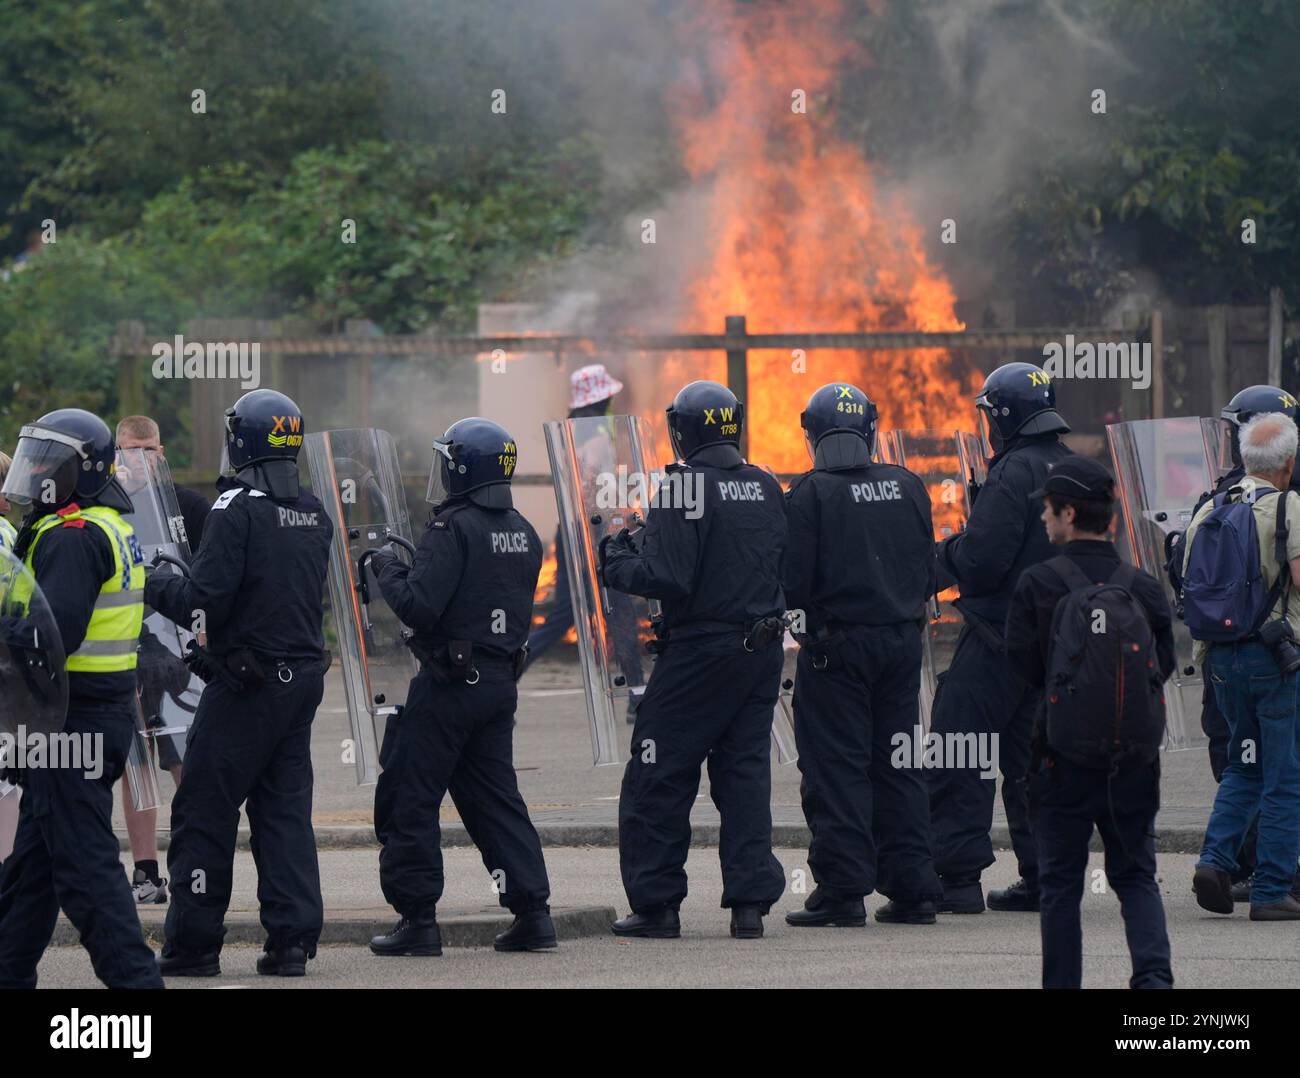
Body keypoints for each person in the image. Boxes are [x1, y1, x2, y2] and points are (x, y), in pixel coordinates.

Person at [146, 388, 332, 976]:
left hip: (249, 689)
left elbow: (204, 601)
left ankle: (193, 943)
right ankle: (292, 942)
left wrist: (154, 582)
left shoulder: (233, 509)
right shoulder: (313, 509)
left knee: (204, 808)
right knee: (283, 815)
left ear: (242, 439)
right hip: (299, 682)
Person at [603, 380, 787, 940]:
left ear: (683, 432)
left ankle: (656, 905)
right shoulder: (764, 484)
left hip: (700, 654)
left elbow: (668, 577)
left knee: (657, 771)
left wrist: (615, 555)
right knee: (744, 774)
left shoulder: (684, 488)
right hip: (761, 652)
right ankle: (750, 906)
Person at [368, 417, 555, 956]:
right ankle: (532, 913)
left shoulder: (453, 528)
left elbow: (420, 607)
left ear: (461, 469)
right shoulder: (522, 530)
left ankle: (418, 921)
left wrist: (387, 569)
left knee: (410, 796)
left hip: (448, 686)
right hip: (499, 684)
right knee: (496, 799)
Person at [0, 409, 163, 988]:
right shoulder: (105, 522)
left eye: (46, 462)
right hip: (94, 717)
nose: (34, 471)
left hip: (71, 727)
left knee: (86, 875)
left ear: (78, 468)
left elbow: (49, 639)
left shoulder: (73, 536)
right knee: (32, 872)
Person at [1006, 456, 1174, 988]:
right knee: (1136, 876)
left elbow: (1026, 667)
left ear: (1070, 513)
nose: (1043, 520)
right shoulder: (1143, 587)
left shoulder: (1037, 583)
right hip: (1132, 762)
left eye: (1049, 511)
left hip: (1061, 759)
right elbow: (1163, 666)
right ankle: (1154, 984)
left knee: (1060, 886)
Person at [782, 383, 943, 927]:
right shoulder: (909, 485)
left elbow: (792, 582)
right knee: (900, 763)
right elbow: (928, 565)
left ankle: (844, 892)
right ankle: (916, 889)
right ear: (869, 429)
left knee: (837, 768)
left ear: (813, 435)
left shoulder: (809, 494)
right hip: (901, 646)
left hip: (836, 650)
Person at [928, 361, 1075, 914]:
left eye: (991, 414)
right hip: (1056, 645)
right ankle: (1044, 879)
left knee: (957, 748)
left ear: (1005, 416)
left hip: (998, 640)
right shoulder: (1075, 467)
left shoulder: (1012, 472)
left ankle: (956, 880)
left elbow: (984, 562)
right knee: (1033, 761)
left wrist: (937, 558)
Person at [1179, 386, 1300, 901]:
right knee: (1284, 776)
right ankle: (1273, 890)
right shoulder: (1288, 505)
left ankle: (1215, 860)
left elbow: (1185, 586)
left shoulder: (1209, 508)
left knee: (1242, 766)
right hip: (1277, 661)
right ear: (1288, 464)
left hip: (1222, 664)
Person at [115, 414, 212, 905]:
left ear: (161, 451)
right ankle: (145, 873)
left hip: (177, 652)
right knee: (136, 767)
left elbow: (213, 569)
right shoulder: (104, 504)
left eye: (150, 450)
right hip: (123, 649)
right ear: (117, 454)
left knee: (186, 762)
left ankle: (198, 866)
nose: (142, 460)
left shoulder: (186, 506)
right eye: (132, 451)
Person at [525, 364, 645, 718]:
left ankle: (507, 675)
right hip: (593, 531)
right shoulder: (595, 439)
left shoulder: (572, 433)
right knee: (618, 608)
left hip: (571, 528)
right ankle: (638, 694)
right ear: (601, 398)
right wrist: (615, 521)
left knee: (566, 613)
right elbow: (595, 488)